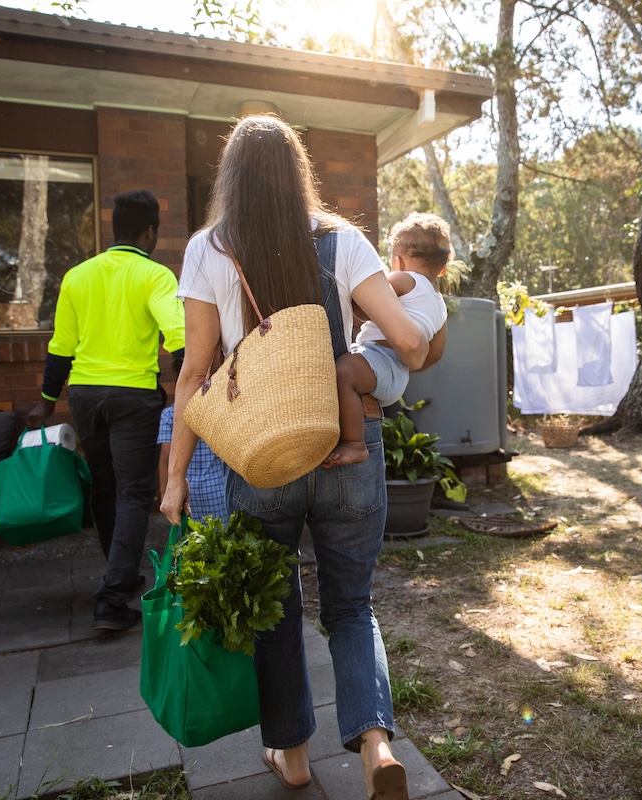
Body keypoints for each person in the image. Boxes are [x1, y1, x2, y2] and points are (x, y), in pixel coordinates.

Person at [160, 114, 427, 800]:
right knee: (350, 606)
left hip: (264, 457)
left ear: (231, 178)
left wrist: (175, 478)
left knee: (274, 608)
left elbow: (193, 375)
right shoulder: (345, 241)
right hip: (351, 452)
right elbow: (408, 343)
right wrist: (406, 330)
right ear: (299, 171)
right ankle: (374, 744)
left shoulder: (207, 248)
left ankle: (295, 758)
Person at [28, 189, 184, 633]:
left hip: (84, 397)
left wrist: (45, 401)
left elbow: (61, 347)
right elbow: (177, 337)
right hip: (132, 398)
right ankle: (113, 597)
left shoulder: (78, 276)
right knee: (135, 494)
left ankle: (121, 574)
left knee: (105, 490)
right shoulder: (155, 276)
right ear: (150, 231)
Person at [324, 212, 450, 467]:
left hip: (380, 359)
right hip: (396, 371)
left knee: (343, 372)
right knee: (345, 368)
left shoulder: (404, 279)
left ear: (398, 261)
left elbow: (368, 302)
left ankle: (355, 444)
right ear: (444, 268)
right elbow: (434, 354)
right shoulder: (440, 307)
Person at [157, 403, 228, 524]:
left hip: (184, 493)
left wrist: (164, 492)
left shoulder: (169, 415)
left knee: (187, 539)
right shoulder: (216, 411)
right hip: (217, 490)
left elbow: (165, 454)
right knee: (222, 538)